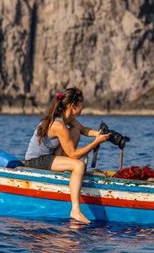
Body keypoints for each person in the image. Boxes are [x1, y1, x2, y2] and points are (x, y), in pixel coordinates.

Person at [23, 87, 110, 224]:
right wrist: (95, 143)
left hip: (51, 155)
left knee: (75, 131)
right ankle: (75, 210)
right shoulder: (59, 125)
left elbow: (82, 129)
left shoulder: (67, 118)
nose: (84, 107)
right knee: (78, 164)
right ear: (73, 105)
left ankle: (71, 172)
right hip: (36, 160)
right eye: (82, 103)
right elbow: (73, 154)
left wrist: (99, 134)